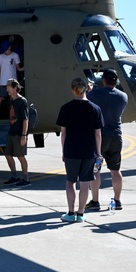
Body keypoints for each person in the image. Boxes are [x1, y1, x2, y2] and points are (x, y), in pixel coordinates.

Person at [56, 77, 104, 223]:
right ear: (86, 88)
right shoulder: (95, 109)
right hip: (89, 151)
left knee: (70, 182)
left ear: (72, 89)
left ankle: (70, 212)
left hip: (71, 150)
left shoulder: (65, 108)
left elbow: (63, 133)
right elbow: (98, 134)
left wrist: (64, 151)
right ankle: (81, 214)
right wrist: (98, 153)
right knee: (85, 183)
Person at [86, 69, 129, 211]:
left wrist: (90, 89)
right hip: (116, 135)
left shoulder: (96, 94)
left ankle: (95, 201)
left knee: (95, 169)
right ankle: (117, 201)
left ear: (103, 80)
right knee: (115, 170)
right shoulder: (123, 96)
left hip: (100, 136)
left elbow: (88, 99)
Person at [2, 79, 31, 187]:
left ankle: (26, 179)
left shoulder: (21, 101)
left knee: (20, 156)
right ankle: (15, 176)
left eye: (8, 87)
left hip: (19, 134)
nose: (7, 89)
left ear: (15, 88)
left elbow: (25, 119)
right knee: (8, 155)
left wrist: (24, 135)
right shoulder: (11, 100)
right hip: (11, 132)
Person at [0, 43, 23, 119]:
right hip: (3, 81)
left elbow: (18, 68)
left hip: (12, 81)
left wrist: (23, 68)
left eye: (6, 49)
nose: (5, 51)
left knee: (13, 98)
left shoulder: (15, 55)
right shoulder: (0, 56)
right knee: (0, 98)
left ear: (9, 47)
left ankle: (12, 115)